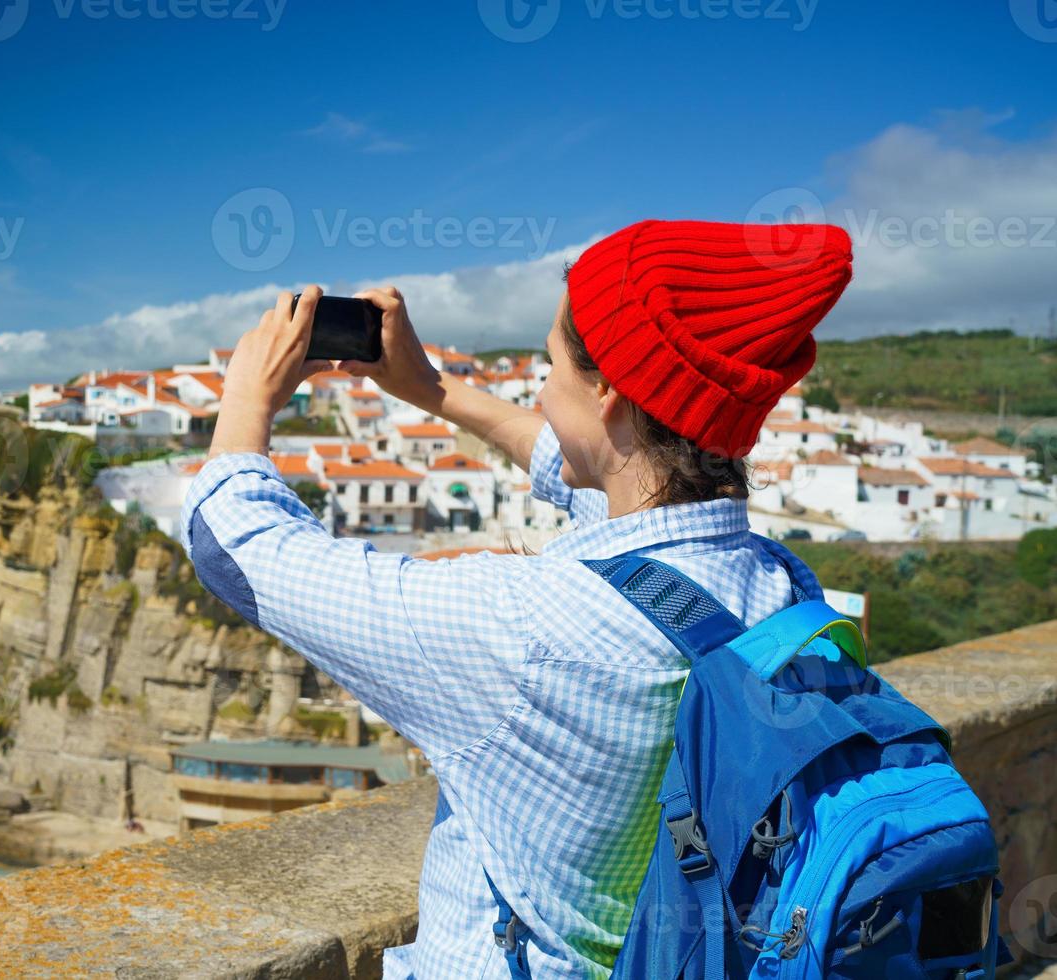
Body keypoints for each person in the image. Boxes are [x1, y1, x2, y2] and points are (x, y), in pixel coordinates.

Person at [179, 219, 854, 978]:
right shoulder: (778, 586)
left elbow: (231, 542)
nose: (539, 387)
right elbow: (618, 483)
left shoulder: (518, 624)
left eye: (551, 364)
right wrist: (430, 389)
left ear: (606, 392)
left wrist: (245, 396)